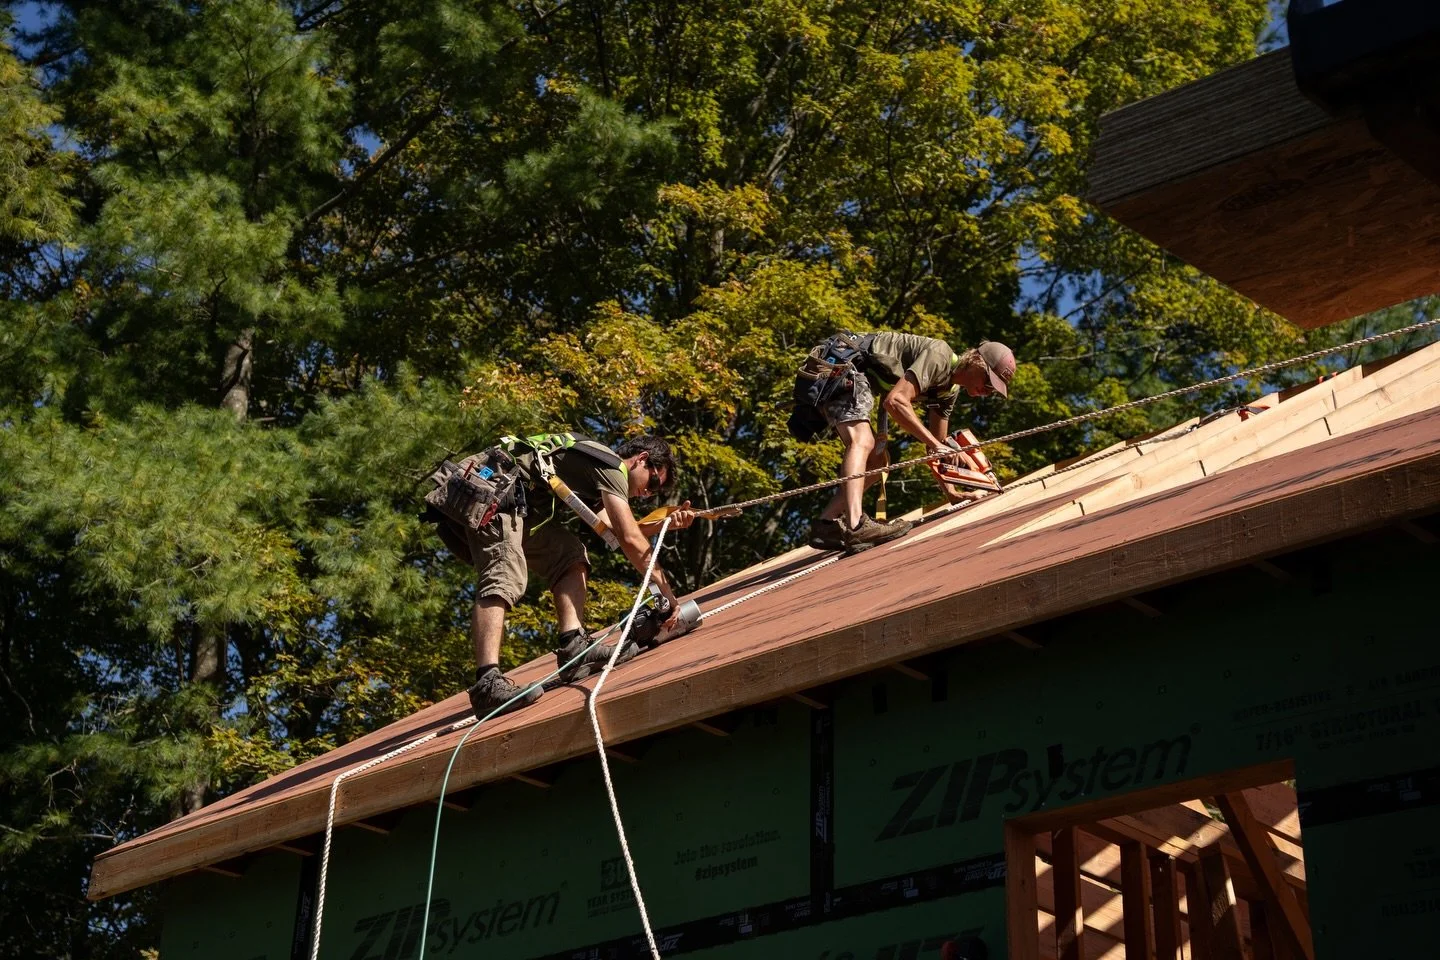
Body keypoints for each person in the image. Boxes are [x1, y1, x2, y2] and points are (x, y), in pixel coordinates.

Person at [427, 433, 695, 718]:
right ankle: (487, 684)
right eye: (652, 483)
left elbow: (618, 530)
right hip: (493, 493)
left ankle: (573, 648)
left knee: (570, 556)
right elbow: (629, 538)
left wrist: (666, 522)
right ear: (641, 459)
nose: (647, 494)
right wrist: (668, 595)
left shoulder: (597, 475)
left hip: (514, 503)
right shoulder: (612, 466)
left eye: (655, 494)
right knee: (504, 573)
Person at [792, 333, 1015, 552]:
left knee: (878, 463)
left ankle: (826, 525)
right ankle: (855, 525)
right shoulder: (941, 355)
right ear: (976, 361)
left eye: (991, 390)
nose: (986, 392)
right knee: (862, 441)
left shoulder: (948, 393)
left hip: (853, 376)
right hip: (842, 364)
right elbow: (896, 401)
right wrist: (938, 446)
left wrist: (953, 494)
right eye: (988, 382)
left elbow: (934, 447)